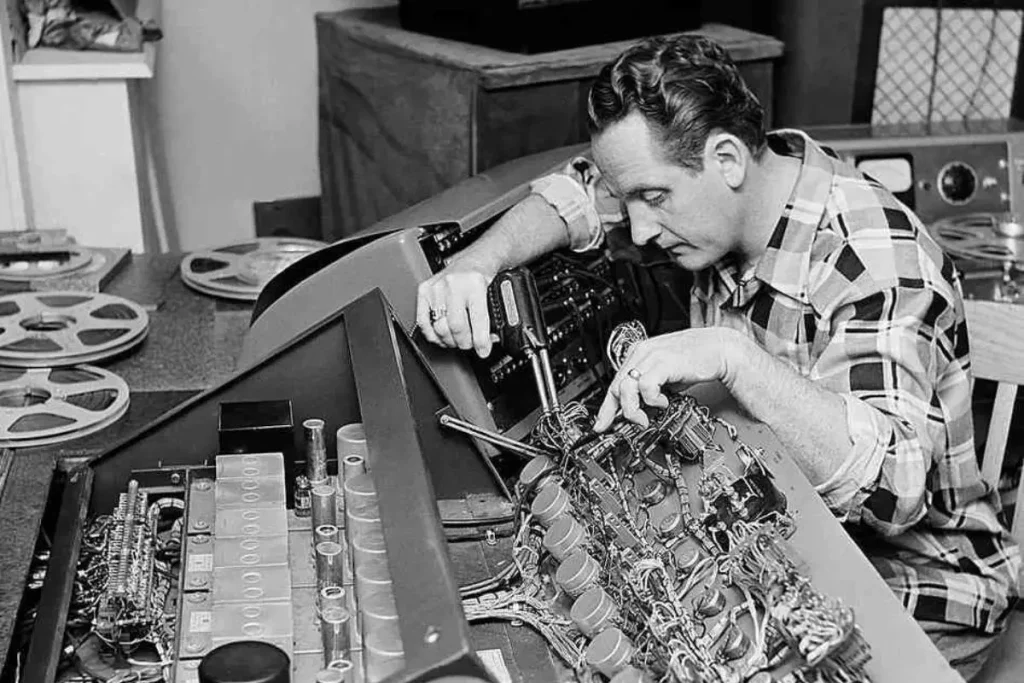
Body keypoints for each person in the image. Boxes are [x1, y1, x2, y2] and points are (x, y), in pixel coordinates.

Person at [415, 34, 1020, 680]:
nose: (639, 229)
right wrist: (478, 262)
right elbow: (576, 194)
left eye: (653, 198)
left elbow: (895, 487)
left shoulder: (872, 259)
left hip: (916, 590)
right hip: (780, 539)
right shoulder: (721, 185)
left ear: (727, 158)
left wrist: (733, 356)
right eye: (631, 201)